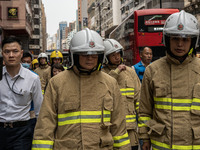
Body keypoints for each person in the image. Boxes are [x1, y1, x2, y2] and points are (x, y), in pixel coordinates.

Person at [32, 28, 130, 149]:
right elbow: (45, 126)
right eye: (84, 54)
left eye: (94, 55)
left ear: (100, 56)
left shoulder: (110, 83)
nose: (90, 58)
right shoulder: (57, 83)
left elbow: (118, 126)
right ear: (75, 55)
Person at [138, 10, 200, 150]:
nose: (180, 44)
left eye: (185, 39)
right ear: (167, 40)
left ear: (193, 41)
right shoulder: (153, 70)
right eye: (175, 38)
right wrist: (144, 137)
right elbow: (144, 111)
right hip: (163, 145)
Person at [0, 36, 43, 150]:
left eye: (15, 51)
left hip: (22, 133)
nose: (11, 55)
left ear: (21, 53)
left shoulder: (33, 78)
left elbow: (40, 110)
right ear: (2, 53)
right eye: (7, 51)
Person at [102, 39, 141, 150]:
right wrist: (115, 72)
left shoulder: (130, 72)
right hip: (110, 130)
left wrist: (143, 130)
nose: (117, 57)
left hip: (130, 130)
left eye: (118, 54)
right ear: (106, 57)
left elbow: (139, 100)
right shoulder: (102, 74)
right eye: (113, 55)